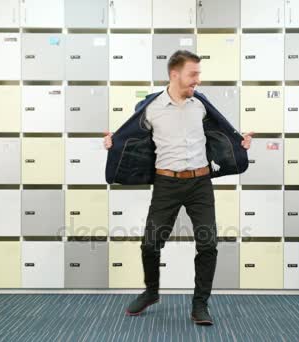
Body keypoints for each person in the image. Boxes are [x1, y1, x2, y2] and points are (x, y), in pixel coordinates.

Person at [103, 50, 252, 325]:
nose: (197, 79)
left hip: (200, 183)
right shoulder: (152, 107)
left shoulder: (201, 105)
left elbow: (222, 134)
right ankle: (151, 291)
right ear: (175, 74)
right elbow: (130, 136)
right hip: (166, 183)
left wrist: (239, 144)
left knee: (208, 244)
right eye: (193, 74)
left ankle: (199, 305)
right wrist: (114, 144)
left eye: (198, 74)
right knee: (150, 244)